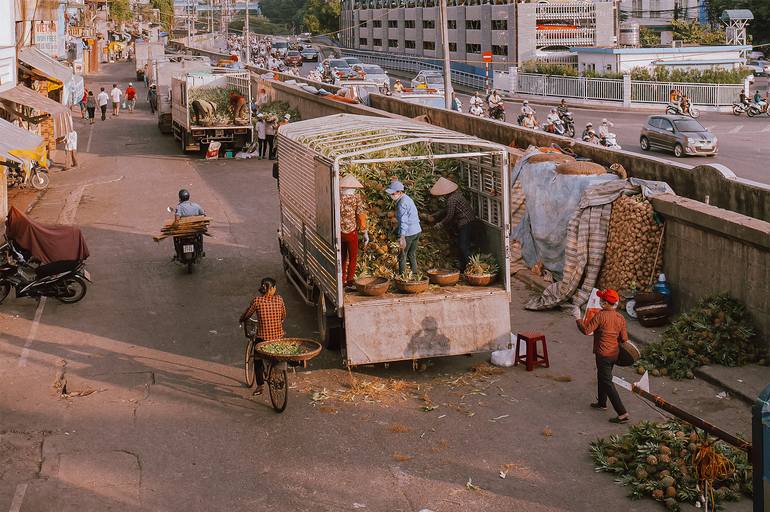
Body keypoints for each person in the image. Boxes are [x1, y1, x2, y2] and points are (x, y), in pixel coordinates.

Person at [573, 288, 630, 424]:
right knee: (602, 376)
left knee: (607, 381)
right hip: (614, 354)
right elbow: (624, 339)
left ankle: (622, 413)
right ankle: (602, 403)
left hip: (603, 354)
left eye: (601, 299)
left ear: (605, 303)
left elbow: (587, 330)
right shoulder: (620, 318)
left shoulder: (600, 316)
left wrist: (577, 318)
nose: (599, 301)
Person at [239, 277, 286, 395]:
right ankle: (278, 375)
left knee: (257, 359)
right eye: (275, 287)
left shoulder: (257, 301)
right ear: (271, 289)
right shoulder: (279, 299)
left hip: (263, 339)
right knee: (277, 357)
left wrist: (242, 319)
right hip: (278, 337)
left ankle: (260, 386)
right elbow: (283, 316)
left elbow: (247, 314)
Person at [429, 177, 474, 271]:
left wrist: (440, 224)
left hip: (465, 222)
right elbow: (448, 209)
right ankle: (464, 268)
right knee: (462, 245)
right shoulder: (456, 195)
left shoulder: (451, 199)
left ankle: (473, 267)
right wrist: (437, 214)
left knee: (463, 246)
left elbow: (450, 216)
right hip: (469, 220)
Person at [339, 175, 369, 291]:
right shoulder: (356, 198)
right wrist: (365, 232)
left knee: (342, 257)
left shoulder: (338, 198)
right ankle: (350, 281)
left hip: (339, 233)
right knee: (353, 258)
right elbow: (361, 216)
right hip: (351, 233)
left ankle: (341, 280)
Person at [385, 180, 421, 275]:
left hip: (409, 233)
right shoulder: (407, 198)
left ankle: (402, 277)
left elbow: (404, 221)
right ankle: (415, 275)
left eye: (392, 193)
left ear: (398, 192)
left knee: (402, 255)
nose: (391, 195)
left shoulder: (401, 203)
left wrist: (402, 237)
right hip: (417, 230)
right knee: (412, 254)